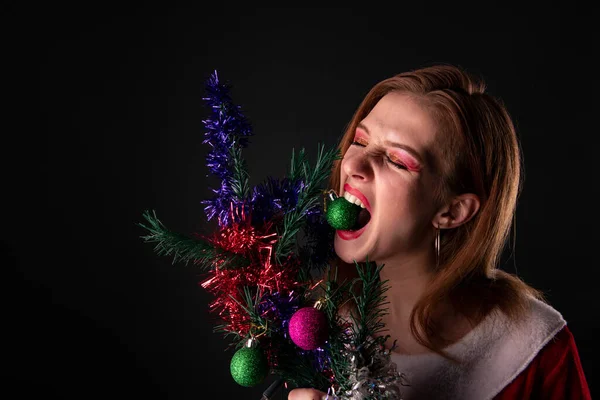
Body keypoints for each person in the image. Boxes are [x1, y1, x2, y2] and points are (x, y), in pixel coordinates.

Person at [288, 65, 591, 399]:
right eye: (360, 141)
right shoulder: (313, 330)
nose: (353, 165)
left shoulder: (537, 351)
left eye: (397, 161)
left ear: (452, 211)